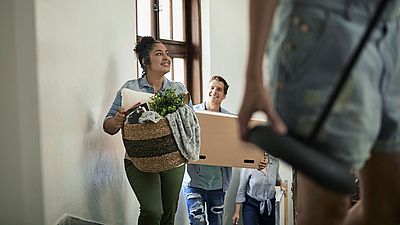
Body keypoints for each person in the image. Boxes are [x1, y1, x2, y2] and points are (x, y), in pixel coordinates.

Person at [238, 1, 400, 225]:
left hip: (393, 26)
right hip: (328, 25)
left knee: (388, 209)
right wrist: (253, 76)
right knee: (326, 212)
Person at [103, 36, 189, 225]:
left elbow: (189, 125)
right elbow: (107, 126)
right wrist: (117, 120)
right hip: (138, 160)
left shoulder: (178, 90)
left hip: (172, 160)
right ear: (145, 61)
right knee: (152, 211)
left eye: (167, 53)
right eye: (159, 54)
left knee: (168, 213)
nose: (166, 57)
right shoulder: (129, 88)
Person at [183, 76, 267, 225]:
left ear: (224, 96)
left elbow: (242, 148)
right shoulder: (191, 114)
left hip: (218, 185)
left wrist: (258, 161)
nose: (214, 92)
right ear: (207, 90)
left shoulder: (231, 121)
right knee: (197, 222)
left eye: (219, 89)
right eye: (212, 88)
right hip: (193, 182)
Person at [232, 155, 285, 225]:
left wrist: (281, 183)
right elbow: (241, 189)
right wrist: (237, 212)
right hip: (251, 205)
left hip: (269, 205)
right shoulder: (248, 165)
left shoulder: (275, 163)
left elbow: (276, 179)